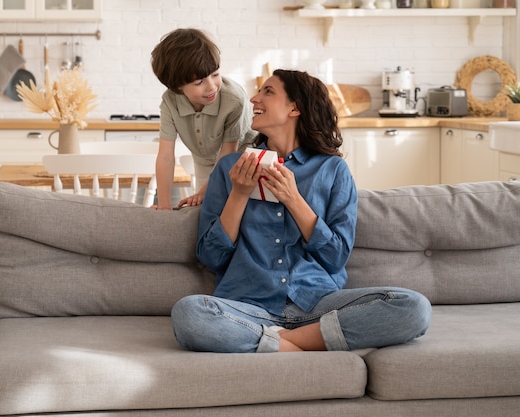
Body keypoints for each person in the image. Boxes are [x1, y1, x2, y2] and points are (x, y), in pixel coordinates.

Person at [171, 69, 431, 353]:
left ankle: (278, 343)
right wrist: (240, 194)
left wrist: (294, 199)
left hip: (317, 303)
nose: (254, 98)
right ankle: (311, 344)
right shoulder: (230, 168)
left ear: (295, 107)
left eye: (268, 91)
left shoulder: (333, 170)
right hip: (247, 305)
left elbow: (336, 257)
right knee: (190, 313)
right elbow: (211, 256)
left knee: (413, 307)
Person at [150, 28, 256, 210]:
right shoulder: (170, 101)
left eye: (215, 75)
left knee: (234, 213)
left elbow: (228, 154)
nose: (211, 87)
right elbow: (166, 156)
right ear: (177, 86)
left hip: (241, 162)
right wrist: (164, 205)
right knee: (206, 214)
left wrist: (202, 193)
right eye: (199, 82)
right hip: (204, 163)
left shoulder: (233, 100)